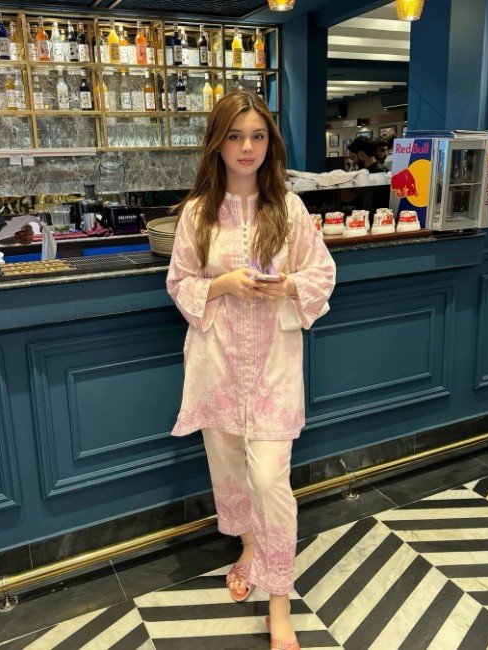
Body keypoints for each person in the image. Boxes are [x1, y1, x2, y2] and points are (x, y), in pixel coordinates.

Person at [166, 90, 335, 650]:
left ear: (271, 143)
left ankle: (279, 599)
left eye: (257, 136)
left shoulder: (289, 210)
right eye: (235, 136)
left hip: (273, 368)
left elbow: (322, 274)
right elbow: (179, 282)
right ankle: (247, 546)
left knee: (269, 481)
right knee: (230, 469)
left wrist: (287, 286)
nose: (246, 147)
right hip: (216, 365)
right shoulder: (197, 214)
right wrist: (222, 284)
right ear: (217, 143)